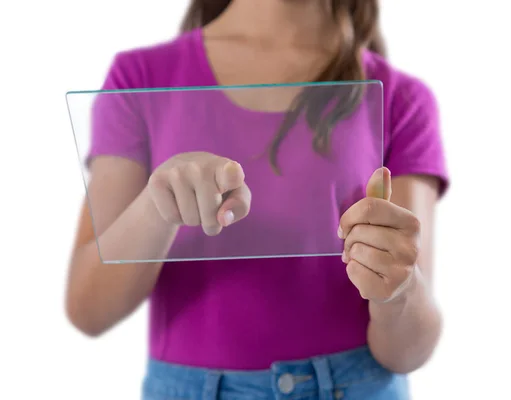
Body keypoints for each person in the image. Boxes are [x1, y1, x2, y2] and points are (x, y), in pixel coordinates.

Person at [65, 0, 449, 399]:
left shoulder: (403, 99)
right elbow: (89, 310)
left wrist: (398, 291)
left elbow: (408, 350)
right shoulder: (139, 80)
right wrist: (157, 208)